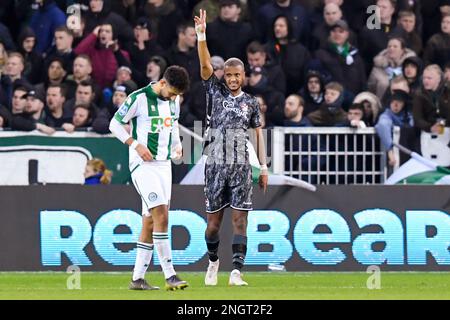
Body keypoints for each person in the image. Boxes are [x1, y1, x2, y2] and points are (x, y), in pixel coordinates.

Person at [194, 9, 268, 287]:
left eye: (237, 75)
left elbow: (258, 135)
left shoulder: (251, 102)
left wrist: (263, 167)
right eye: (229, 74)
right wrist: (202, 36)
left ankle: (236, 272)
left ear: (244, 75)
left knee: (240, 221)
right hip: (214, 163)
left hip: (240, 165)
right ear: (224, 74)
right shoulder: (214, 90)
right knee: (213, 224)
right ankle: (213, 261)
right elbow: (204, 65)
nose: (233, 79)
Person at [109, 65, 190, 291]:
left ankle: (137, 279)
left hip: (164, 166)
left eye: (177, 95)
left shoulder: (174, 101)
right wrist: (135, 144)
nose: (174, 97)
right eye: (172, 92)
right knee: (161, 214)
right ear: (162, 83)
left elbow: (172, 124)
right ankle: (170, 275)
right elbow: (114, 124)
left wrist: (177, 145)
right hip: (142, 165)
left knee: (150, 221)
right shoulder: (139, 98)